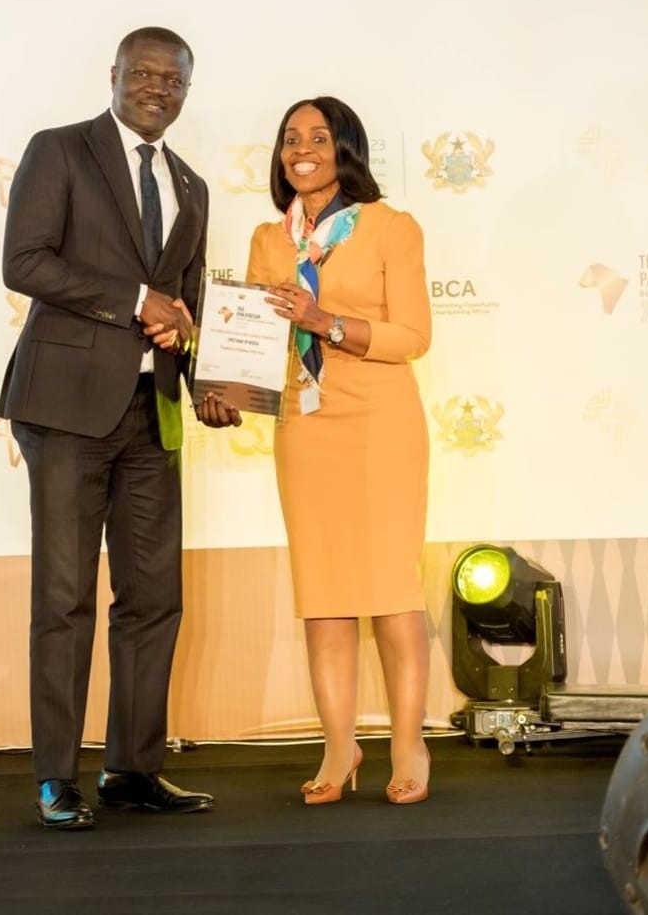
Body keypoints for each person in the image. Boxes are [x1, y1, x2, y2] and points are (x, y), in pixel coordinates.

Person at [0, 27, 238, 830]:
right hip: (65, 410)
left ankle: (133, 768)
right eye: (144, 73)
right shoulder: (59, 150)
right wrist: (137, 303)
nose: (157, 88)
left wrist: (210, 377)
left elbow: (190, 302)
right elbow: (24, 262)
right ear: (114, 76)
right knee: (64, 599)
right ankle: (56, 779)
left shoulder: (193, 187)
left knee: (152, 598)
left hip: (152, 412)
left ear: (186, 94)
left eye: (174, 80)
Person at [207, 96, 432, 805]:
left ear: (347, 149)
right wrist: (225, 392)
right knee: (325, 595)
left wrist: (326, 320)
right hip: (305, 427)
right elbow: (252, 340)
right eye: (290, 140)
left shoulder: (391, 227)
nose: (301, 149)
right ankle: (339, 746)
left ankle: (407, 743)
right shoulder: (267, 239)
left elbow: (412, 337)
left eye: (318, 137)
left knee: (393, 591)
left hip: (381, 423)